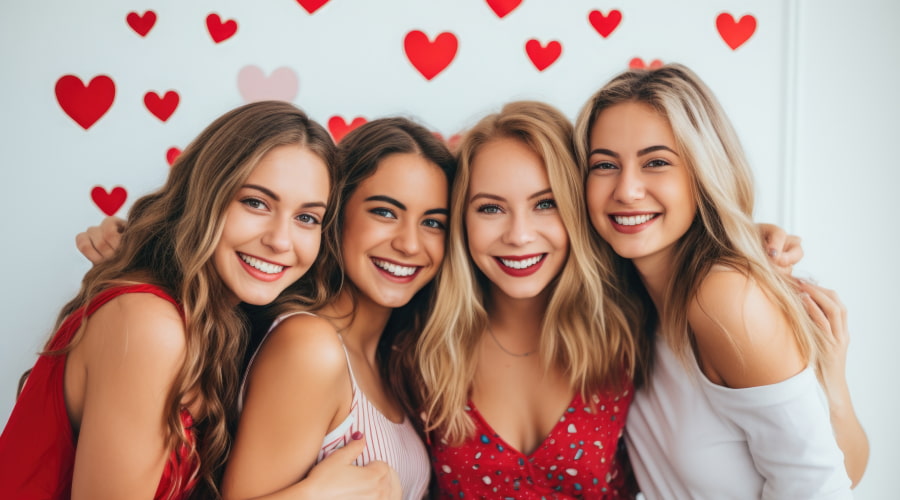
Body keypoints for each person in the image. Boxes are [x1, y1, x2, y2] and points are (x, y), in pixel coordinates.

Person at [0, 100, 335, 499]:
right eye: (255, 203)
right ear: (205, 196)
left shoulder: (224, 330)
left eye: (307, 218)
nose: (281, 241)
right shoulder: (147, 323)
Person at [573, 63, 868, 498]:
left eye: (656, 162)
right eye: (604, 165)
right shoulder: (631, 298)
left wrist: (832, 388)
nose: (627, 189)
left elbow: (821, 486)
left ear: (703, 172)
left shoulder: (722, 296)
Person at [220, 118, 456, 500]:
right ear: (335, 214)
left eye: (432, 222)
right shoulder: (310, 346)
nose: (411, 245)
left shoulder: (393, 359)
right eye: (385, 212)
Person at [417, 101, 638, 498]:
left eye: (545, 204)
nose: (519, 235)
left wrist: (752, 243)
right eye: (490, 208)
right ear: (461, 220)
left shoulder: (630, 330)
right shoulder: (421, 345)